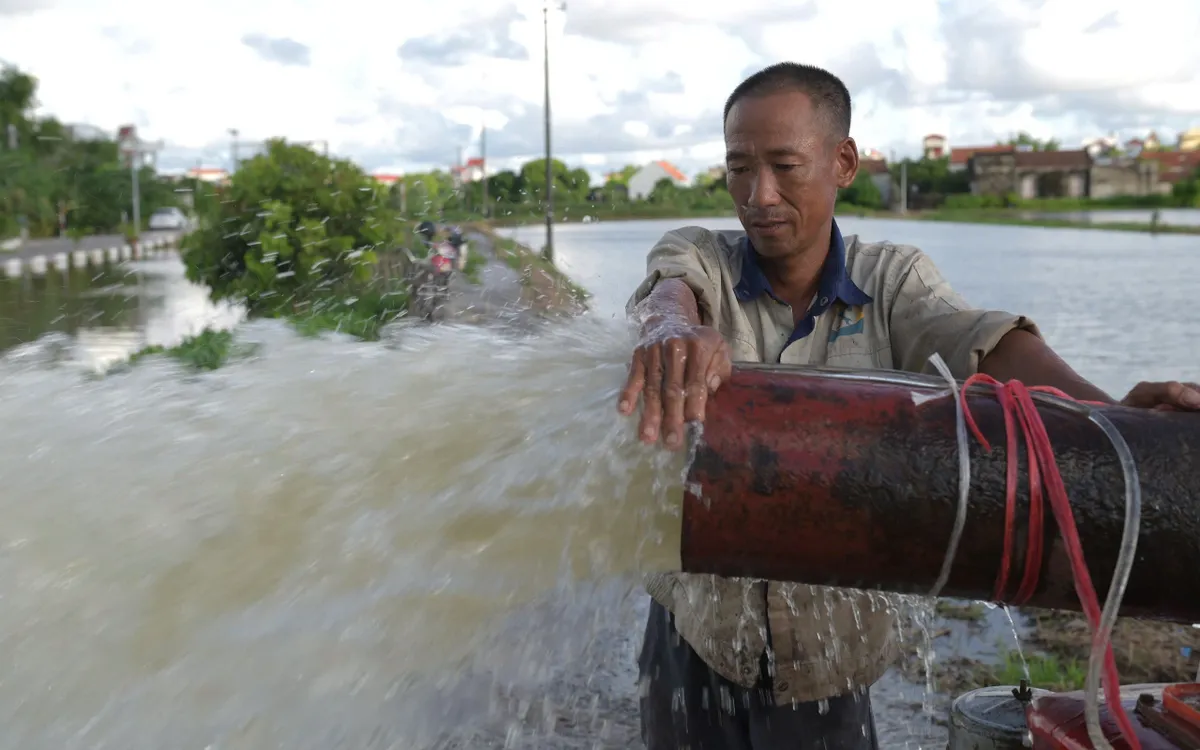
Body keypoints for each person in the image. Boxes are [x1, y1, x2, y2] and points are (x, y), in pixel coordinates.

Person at [616, 62, 1200, 750]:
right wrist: (671, 329)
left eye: (784, 166)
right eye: (739, 167)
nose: (759, 194)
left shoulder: (891, 280)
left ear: (844, 162)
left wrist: (1109, 419)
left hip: (826, 651)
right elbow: (669, 287)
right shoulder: (703, 258)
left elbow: (985, 342)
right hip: (695, 627)